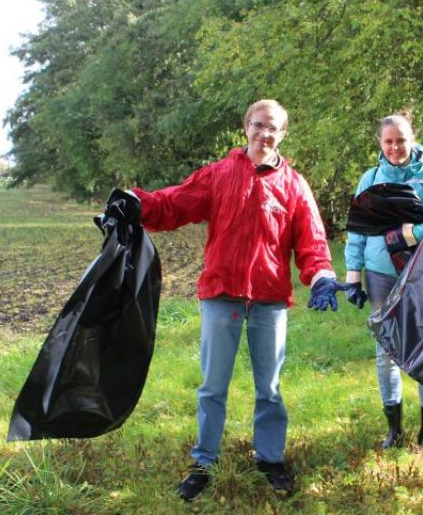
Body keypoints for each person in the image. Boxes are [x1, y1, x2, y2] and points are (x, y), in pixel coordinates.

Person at [122, 99, 354, 502]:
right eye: (259, 125)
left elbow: (313, 241)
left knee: (270, 388)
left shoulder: (295, 185)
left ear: (283, 134)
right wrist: (137, 203)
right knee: (213, 387)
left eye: (274, 128)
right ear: (246, 126)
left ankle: (269, 459)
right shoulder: (219, 175)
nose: (265, 134)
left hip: (269, 300)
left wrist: (320, 277)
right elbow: (174, 203)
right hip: (221, 295)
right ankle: (203, 462)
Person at [344, 111, 423, 459]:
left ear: (412, 138)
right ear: (380, 143)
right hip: (381, 274)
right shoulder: (371, 178)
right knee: (386, 351)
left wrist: (411, 233)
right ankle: (393, 429)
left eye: (401, 140)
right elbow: (357, 229)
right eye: (388, 141)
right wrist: (353, 275)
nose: (395, 147)